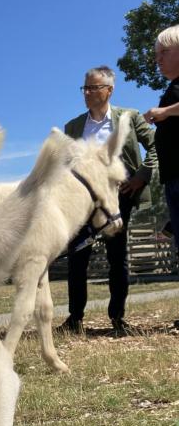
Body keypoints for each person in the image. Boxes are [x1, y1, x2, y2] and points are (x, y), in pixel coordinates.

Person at [60, 66, 157, 337]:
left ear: (109, 90)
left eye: (93, 88)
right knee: (77, 258)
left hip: (118, 199)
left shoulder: (130, 117)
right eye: (85, 88)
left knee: (117, 258)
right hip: (83, 203)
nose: (87, 93)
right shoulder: (74, 126)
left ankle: (117, 318)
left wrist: (141, 175)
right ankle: (74, 318)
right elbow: (66, 164)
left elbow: (155, 147)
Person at [144, 24, 179, 327]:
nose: (158, 59)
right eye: (156, 55)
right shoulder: (171, 88)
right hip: (172, 178)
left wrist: (164, 113)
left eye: (164, 52)